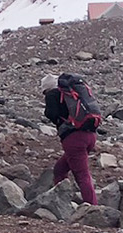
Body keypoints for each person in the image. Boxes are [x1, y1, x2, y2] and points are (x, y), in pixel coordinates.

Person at [41, 72, 103, 206]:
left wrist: (58, 120)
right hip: (90, 134)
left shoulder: (52, 94)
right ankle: (63, 201)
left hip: (74, 138)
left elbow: (50, 113)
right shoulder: (74, 94)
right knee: (60, 169)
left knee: (82, 175)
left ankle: (92, 208)